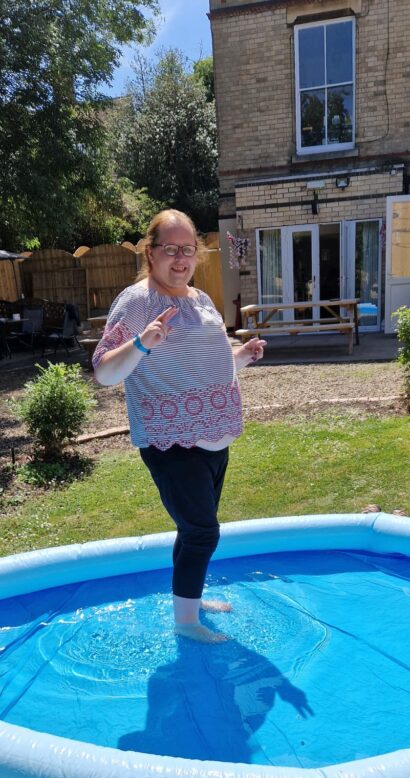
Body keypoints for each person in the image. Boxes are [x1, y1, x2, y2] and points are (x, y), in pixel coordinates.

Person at [93, 209, 265, 643]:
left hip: (215, 438)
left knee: (192, 531)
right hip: (171, 441)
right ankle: (187, 623)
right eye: (170, 249)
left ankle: (191, 600)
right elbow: (105, 372)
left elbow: (211, 366)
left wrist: (242, 357)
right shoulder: (137, 302)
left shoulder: (201, 299)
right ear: (150, 253)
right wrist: (141, 342)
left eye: (188, 249)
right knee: (203, 532)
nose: (181, 258)